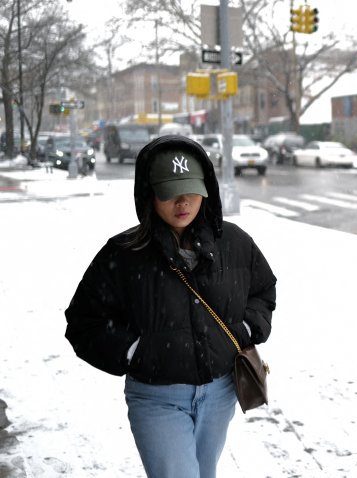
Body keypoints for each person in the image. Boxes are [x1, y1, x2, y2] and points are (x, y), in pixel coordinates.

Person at [64, 135, 276, 477]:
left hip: (220, 392)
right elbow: (84, 322)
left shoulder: (234, 243)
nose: (183, 201)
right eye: (169, 190)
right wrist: (135, 352)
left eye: (191, 188)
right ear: (150, 193)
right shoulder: (124, 253)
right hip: (156, 398)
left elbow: (263, 290)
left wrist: (248, 329)